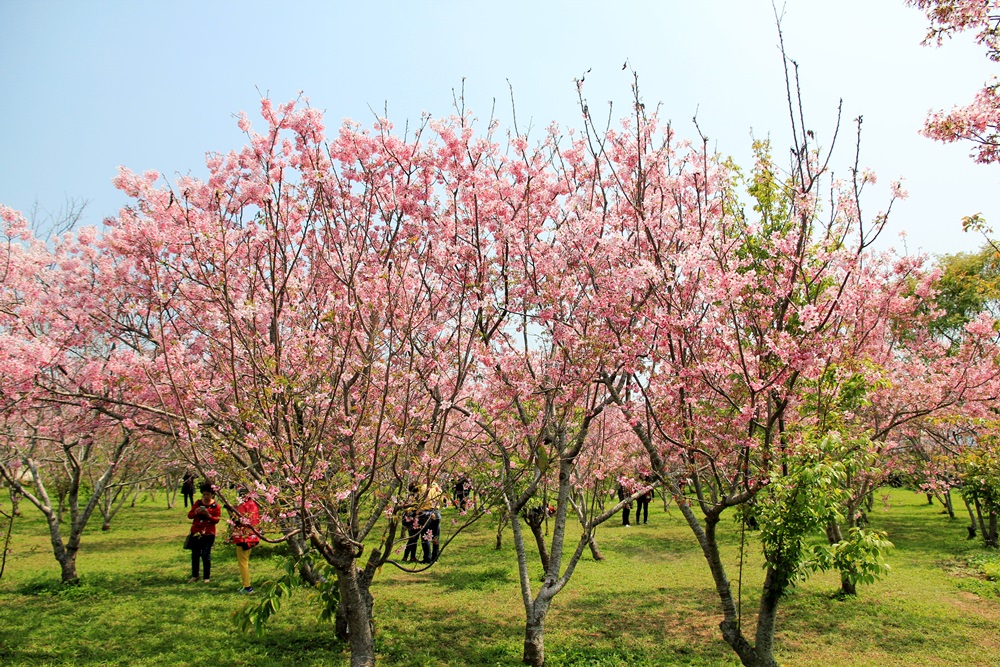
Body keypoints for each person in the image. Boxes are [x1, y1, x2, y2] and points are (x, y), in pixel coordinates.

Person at [187, 482, 221, 583]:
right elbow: (189, 515)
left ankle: (207, 577)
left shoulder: (216, 506)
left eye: (208, 494)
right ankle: (195, 575)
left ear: (212, 495)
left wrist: (208, 515)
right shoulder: (198, 503)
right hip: (197, 531)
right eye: (204, 494)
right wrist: (195, 512)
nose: (206, 497)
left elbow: (217, 520)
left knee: (206, 554)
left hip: (209, 533)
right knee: (195, 554)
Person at [230, 488, 261, 594]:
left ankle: (247, 586)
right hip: (253, 536)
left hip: (243, 537)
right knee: (245, 561)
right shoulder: (253, 504)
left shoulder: (243, 505)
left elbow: (239, 521)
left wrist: (231, 511)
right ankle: (246, 585)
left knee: (243, 563)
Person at [417, 481, 444, 563]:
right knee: (436, 537)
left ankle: (427, 558)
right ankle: (435, 558)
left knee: (425, 537)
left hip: (426, 513)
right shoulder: (439, 489)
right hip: (436, 513)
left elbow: (419, 500)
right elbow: (441, 501)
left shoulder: (423, 488)